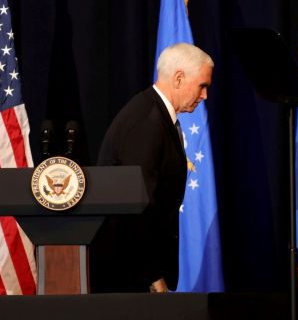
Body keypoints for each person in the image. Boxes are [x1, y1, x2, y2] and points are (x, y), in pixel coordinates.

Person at [89, 42, 214, 293]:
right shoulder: (146, 122)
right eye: (202, 86)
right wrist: (152, 275)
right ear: (178, 78)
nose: (205, 96)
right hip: (129, 279)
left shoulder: (155, 114)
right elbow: (136, 207)